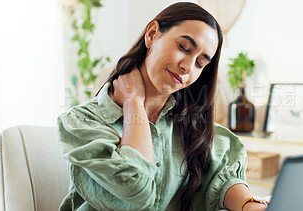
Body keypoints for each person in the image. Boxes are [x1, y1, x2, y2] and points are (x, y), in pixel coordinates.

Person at [57, 2, 268, 211]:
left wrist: (248, 205)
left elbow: (221, 177)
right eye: (184, 48)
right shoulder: (82, 123)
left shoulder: (190, 126)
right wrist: (134, 104)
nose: (187, 67)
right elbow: (136, 190)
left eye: (200, 63)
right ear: (152, 34)